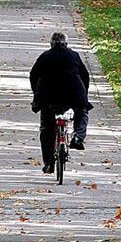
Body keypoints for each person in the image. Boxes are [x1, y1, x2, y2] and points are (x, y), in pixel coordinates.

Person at [29, 32, 91, 173]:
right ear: (66, 44)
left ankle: (49, 163)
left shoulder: (45, 56)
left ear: (51, 44)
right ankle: (78, 136)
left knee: (46, 129)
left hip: (48, 97)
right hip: (73, 95)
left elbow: (33, 75)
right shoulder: (74, 55)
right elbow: (85, 75)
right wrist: (84, 95)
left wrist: (36, 94)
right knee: (82, 112)